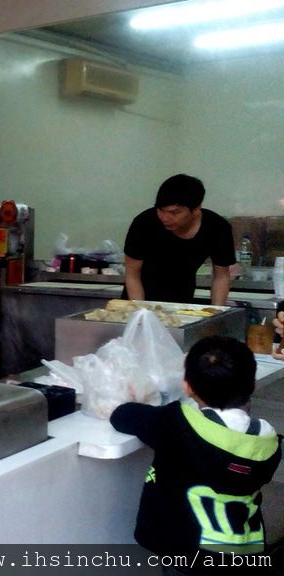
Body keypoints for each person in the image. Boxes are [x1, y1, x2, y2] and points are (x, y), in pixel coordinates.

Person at [111, 336, 281, 574]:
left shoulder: (175, 423)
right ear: (252, 384)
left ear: (187, 386)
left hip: (187, 555)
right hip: (244, 553)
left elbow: (122, 415)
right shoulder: (266, 438)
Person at [123, 174, 235, 305]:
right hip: (138, 298)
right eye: (160, 210)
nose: (165, 218)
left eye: (174, 212)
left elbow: (221, 276)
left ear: (196, 209)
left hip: (182, 300)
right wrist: (141, 313)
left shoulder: (217, 227)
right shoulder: (144, 223)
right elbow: (132, 275)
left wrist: (217, 312)